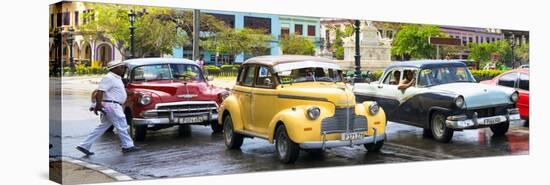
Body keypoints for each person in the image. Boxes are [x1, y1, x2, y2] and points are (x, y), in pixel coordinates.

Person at [76, 60, 140, 155]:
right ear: (114, 68)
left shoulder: (117, 78)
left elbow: (120, 89)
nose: (123, 69)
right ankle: (128, 146)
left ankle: (84, 145)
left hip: (113, 105)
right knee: (121, 125)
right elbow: (100, 91)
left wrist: (132, 93)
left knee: (102, 127)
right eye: (121, 67)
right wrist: (98, 105)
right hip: (112, 106)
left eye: (123, 67)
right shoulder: (109, 78)